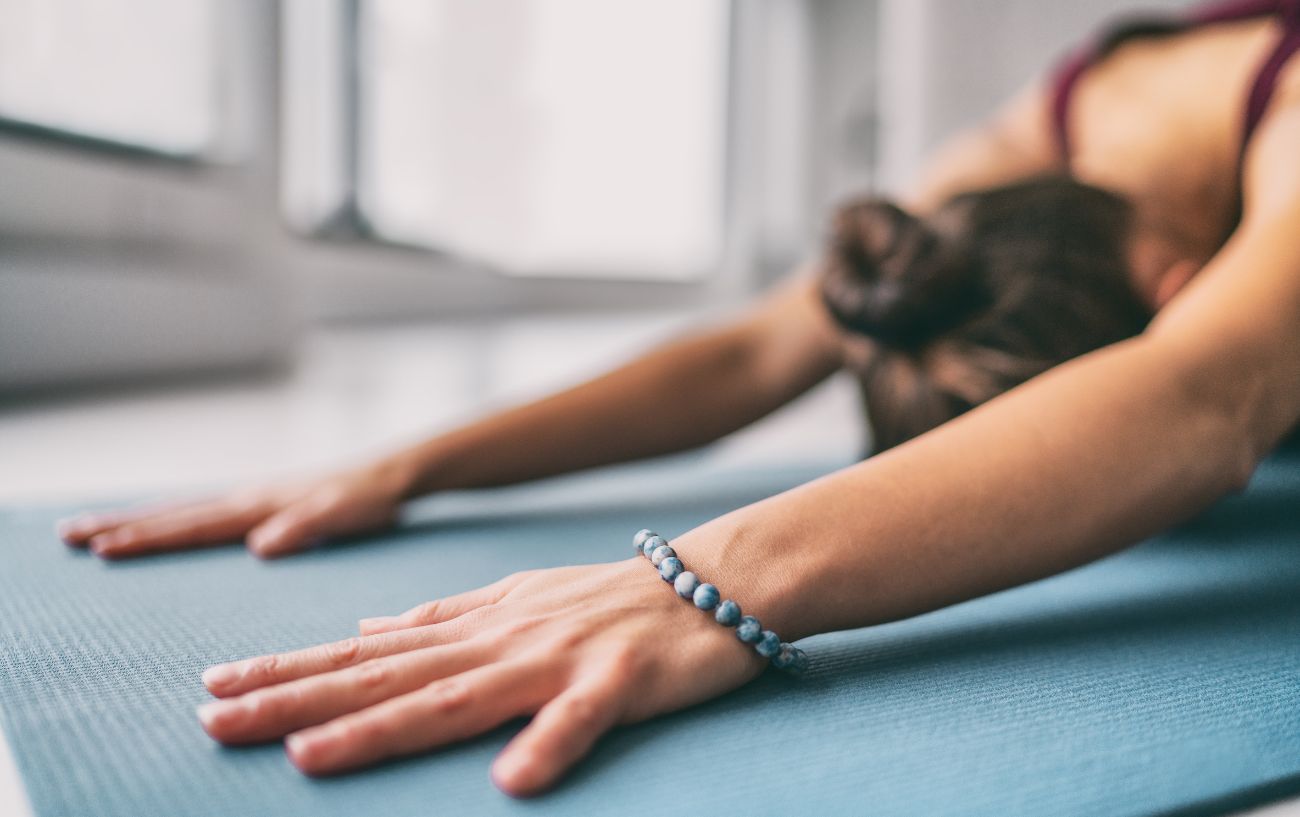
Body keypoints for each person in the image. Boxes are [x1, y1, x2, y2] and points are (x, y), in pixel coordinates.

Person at [57, 0, 1300, 797]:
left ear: (1177, 291)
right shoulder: (1031, 145)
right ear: (1180, 280)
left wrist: (708, 584)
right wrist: (406, 465)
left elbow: (1199, 396)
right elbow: (764, 347)